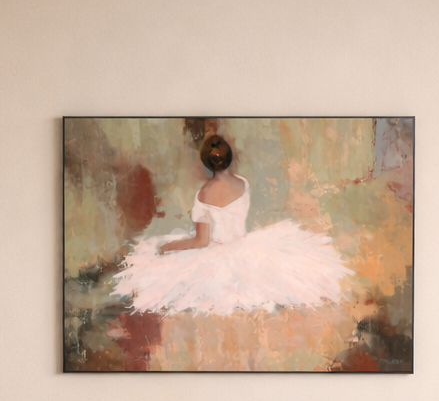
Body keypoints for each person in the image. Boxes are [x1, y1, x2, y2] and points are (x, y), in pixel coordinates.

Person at [111, 135, 351, 316]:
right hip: (245, 245)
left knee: (164, 260)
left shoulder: (203, 195)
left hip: (217, 252)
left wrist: (168, 248)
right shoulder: (243, 184)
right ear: (229, 159)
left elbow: (201, 241)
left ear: (207, 162)